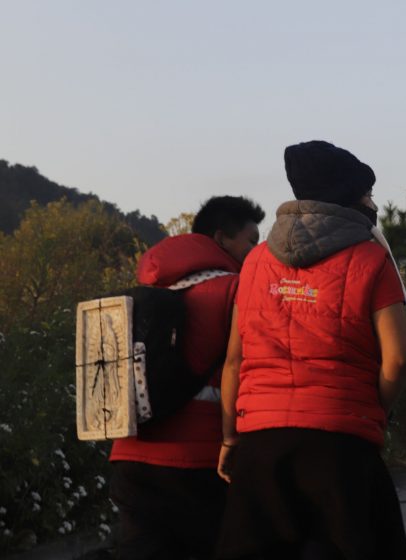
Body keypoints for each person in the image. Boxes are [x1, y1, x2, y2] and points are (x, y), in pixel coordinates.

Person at [215, 140, 406, 559]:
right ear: (347, 195)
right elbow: (398, 359)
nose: (372, 202)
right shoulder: (371, 258)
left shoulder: (254, 263)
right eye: (367, 193)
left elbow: (235, 359)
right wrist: (368, 410)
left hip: (261, 449)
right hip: (340, 449)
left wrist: (231, 438)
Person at [108, 196, 264, 560]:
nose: (256, 252)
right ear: (222, 239)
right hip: (198, 463)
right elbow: (247, 370)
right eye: (251, 241)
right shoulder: (237, 291)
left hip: (129, 458)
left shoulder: (146, 294)